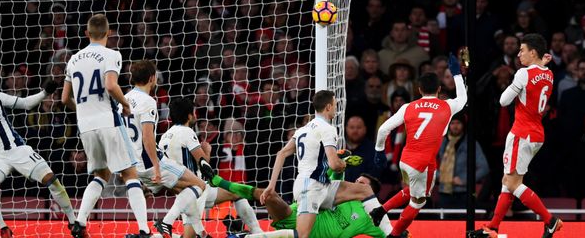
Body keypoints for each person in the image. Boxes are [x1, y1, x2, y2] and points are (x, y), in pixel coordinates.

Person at [61, 14, 149, 238]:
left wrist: (82, 110)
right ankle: (144, 230)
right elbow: (111, 85)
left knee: (101, 174)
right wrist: (125, 104)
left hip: (85, 126)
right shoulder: (112, 54)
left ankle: (80, 222)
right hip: (107, 120)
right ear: (109, 33)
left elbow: (64, 99)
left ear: (86, 33)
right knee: (130, 174)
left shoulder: (73, 60)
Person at [469, 33, 562, 238]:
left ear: (533, 52)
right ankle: (492, 227)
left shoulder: (523, 74)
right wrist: (541, 63)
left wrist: (515, 82)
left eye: (522, 50)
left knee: (512, 183)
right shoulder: (549, 74)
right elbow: (541, 70)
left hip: (521, 133)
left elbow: (503, 101)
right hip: (537, 133)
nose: (518, 54)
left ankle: (550, 221)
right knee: (508, 181)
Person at [0, 71, 76, 238]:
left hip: (18, 149)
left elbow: (26, 103)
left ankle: (74, 222)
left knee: (51, 179)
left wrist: (45, 93)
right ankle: (3, 228)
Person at [370, 54, 467, 238]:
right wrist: (456, 74)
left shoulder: (408, 107)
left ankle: (380, 211)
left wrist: (379, 151)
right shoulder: (447, 106)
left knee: (413, 190)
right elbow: (463, 98)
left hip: (405, 160)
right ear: (439, 89)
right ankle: (395, 234)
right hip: (423, 164)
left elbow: (383, 130)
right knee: (418, 201)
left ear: (419, 89)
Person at [262, 90, 374, 238]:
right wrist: (342, 164)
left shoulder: (302, 130)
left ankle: (390, 231)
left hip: (321, 186)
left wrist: (271, 186)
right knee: (302, 235)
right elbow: (334, 165)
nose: (336, 108)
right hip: (311, 186)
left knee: (364, 190)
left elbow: (281, 153)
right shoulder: (328, 129)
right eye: (335, 105)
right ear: (328, 107)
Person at [122, 61, 208, 238]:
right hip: (151, 163)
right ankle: (166, 223)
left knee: (182, 192)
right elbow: (147, 137)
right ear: (152, 78)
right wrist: (157, 167)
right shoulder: (148, 101)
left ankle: (199, 234)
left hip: (132, 166)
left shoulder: (122, 99)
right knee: (199, 185)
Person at [159, 98, 262, 238]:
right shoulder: (187, 132)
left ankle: (258, 233)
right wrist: (207, 150)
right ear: (189, 115)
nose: (195, 115)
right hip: (195, 190)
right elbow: (203, 163)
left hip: (186, 189)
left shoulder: (165, 136)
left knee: (236, 192)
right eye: (194, 112)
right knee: (190, 236)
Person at [203, 171, 388, 238]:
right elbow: (327, 182)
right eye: (356, 180)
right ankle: (219, 182)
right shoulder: (341, 193)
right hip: (295, 215)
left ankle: (250, 233)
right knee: (268, 195)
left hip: (305, 233)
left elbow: (392, 233)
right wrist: (338, 166)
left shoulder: (373, 217)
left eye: (361, 183)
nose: (355, 184)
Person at [436, 115, 489, 208]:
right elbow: (427, 165)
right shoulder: (440, 143)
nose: (455, 126)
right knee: (444, 222)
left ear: (463, 125)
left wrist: (466, 180)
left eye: (458, 123)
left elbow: (484, 168)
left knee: (462, 222)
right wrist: (439, 176)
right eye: (452, 123)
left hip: (463, 193)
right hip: (443, 192)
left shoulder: (471, 143)